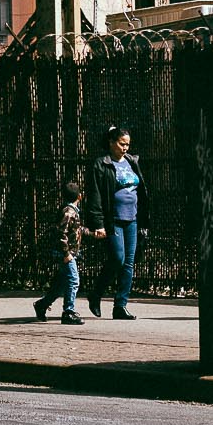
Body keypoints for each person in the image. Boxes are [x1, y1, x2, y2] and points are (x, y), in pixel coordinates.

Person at [84, 125, 144, 319]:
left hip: (132, 218)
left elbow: (141, 189)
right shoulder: (101, 164)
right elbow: (95, 195)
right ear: (111, 142)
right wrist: (98, 222)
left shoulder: (131, 161)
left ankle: (121, 305)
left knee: (129, 262)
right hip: (113, 219)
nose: (125, 148)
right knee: (117, 258)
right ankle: (96, 293)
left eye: (127, 144)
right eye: (121, 144)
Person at [34, 178, 101, 325]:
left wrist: (92, 233)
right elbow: (61, 233)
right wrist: (66, 253)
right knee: (73, 280)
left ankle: (42, 304)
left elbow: (76, 230)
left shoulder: (70, 211)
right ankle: (68, 311)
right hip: (66, 253)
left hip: (68, 252)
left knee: (60, 284)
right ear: (80, 196)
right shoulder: (69, 212)